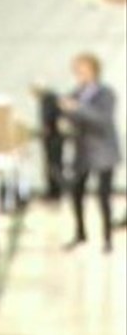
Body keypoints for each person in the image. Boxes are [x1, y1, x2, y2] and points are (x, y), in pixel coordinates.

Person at [59, 52, 122, 254]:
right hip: (82, 152)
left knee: (104, 196)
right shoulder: (75, 93)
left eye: (82, 69)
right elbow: (71, 117)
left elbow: (101, 120)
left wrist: (77, 108)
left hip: (104, 152)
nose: (79, 73)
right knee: (76, 192)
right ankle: (80, 234)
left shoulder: (106, 93)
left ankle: (107, 238)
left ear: (93, 70)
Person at [31, 80, 64, 201]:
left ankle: (55, 192)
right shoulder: (48, 99)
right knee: (52, 165)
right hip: (52, 138)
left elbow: (49, 119)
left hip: (54, 138)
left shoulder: (49, 99)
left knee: (54, 165)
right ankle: (53, 191)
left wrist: (44, 131)